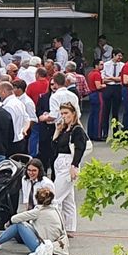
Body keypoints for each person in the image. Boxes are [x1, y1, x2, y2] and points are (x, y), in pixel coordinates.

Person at [38, 101, 88, 236]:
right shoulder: (65, 129)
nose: (64, 116)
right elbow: (54, 146)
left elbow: (79, 148)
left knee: (56, 196)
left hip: (68, 163)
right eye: (62, 114)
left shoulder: (77, 129)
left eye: (66, 113)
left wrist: (74, 165)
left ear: (73, 114)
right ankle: (70, 227)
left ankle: (57, 226)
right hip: (59, 161)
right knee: (68, 198)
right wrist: (57, 130)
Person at [0, 185, 67, 255]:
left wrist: (8, 223)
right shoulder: (55, 209)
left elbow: (15, 218)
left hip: (43, 246)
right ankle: (2, 240)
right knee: (23, 225)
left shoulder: (38, 211)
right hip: (57, 244)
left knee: (18, 225)